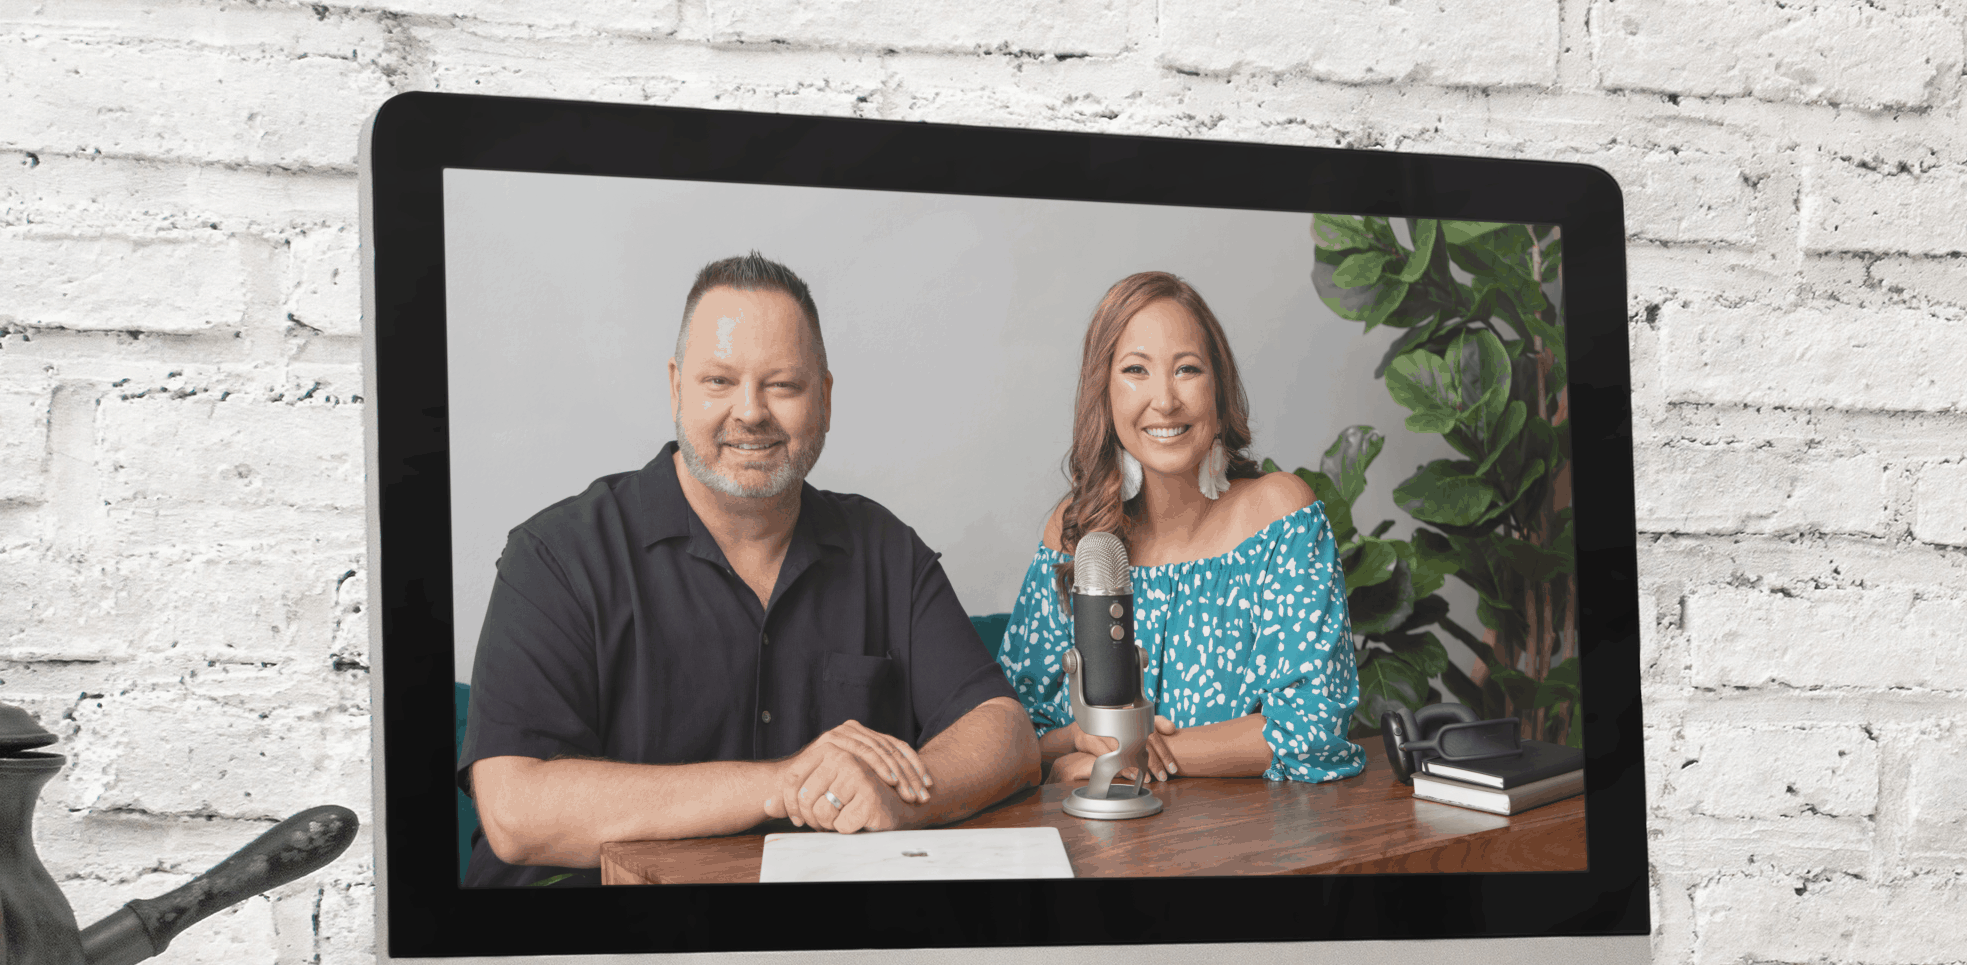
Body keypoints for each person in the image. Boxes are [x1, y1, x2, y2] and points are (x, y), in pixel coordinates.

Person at [460, 253, 1035, 886]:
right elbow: (516, 812)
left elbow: (1003, 732)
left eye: (783, 384)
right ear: (677, 387)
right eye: (719, 381)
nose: (752, 412)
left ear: (826, 396)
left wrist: (904, 797)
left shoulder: (886, 550)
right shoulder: (556, 556)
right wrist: (783, 784)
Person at [997, 272, 1363, 786]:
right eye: (1135, 371)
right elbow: (1013, 732)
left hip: (1249, 845)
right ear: (1103, 392)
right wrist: (1079, 742)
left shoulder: (1279, 514)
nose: (1165, 400)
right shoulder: (1075, 534)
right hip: (1098, 840)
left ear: (1219, 386)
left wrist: (1137, 754)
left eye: (1187, 369)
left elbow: (1311, 727)